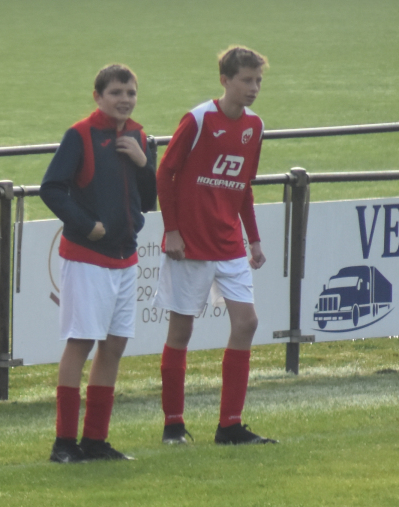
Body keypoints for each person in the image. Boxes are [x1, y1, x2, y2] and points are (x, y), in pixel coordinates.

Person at [155, 47, 275, 446]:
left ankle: (230, 426)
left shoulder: (255, 126)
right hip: (190, 245)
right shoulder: (198, 119)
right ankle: (174, 425)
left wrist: (253, 238)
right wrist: (172, 231)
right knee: (181, 330)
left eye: (258, 81)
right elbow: (165, 173)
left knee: (247, 323)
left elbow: (243, 187)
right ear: (225, 80)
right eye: (246, 80)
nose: (254, 88)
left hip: (229, 245)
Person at [39, 64, 157, 463]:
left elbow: (149, 200)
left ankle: (95, 440)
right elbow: (51, 188)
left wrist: (143, 162)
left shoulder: (139, 136)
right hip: (87, 258)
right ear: (98, 96)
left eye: (130, 93)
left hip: (126, 257)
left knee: (115, 344)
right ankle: (64, 443)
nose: (125, 100)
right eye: (116, 93)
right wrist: (87, 225)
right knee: (81, 342)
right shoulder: (80, 135)